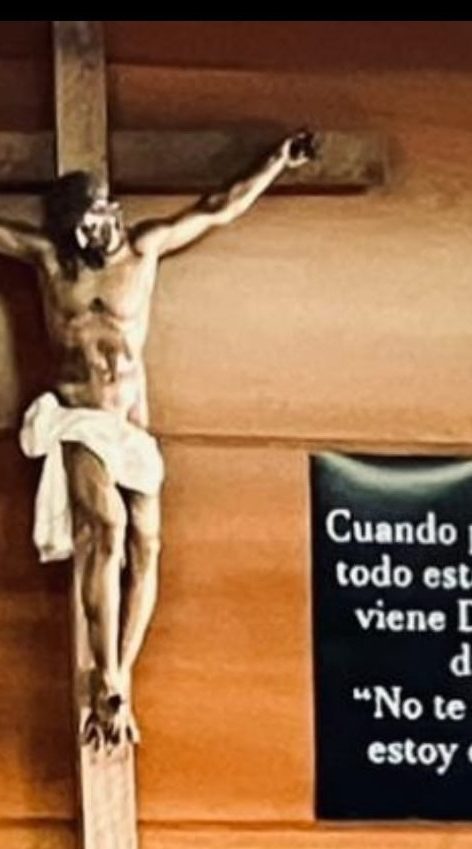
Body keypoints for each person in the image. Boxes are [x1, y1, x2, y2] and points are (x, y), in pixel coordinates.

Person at [5, 129, 316, 748]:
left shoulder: (143, 250)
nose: (101, 228)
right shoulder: (50, 263)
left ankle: (121, 673)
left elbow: (218, 207)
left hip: (129, 425)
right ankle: (105, 674)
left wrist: (276, 162)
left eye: (103, 214)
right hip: (79, 419)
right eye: (86, 223)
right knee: (108, 527)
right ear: (69, 229)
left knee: (148, 545)